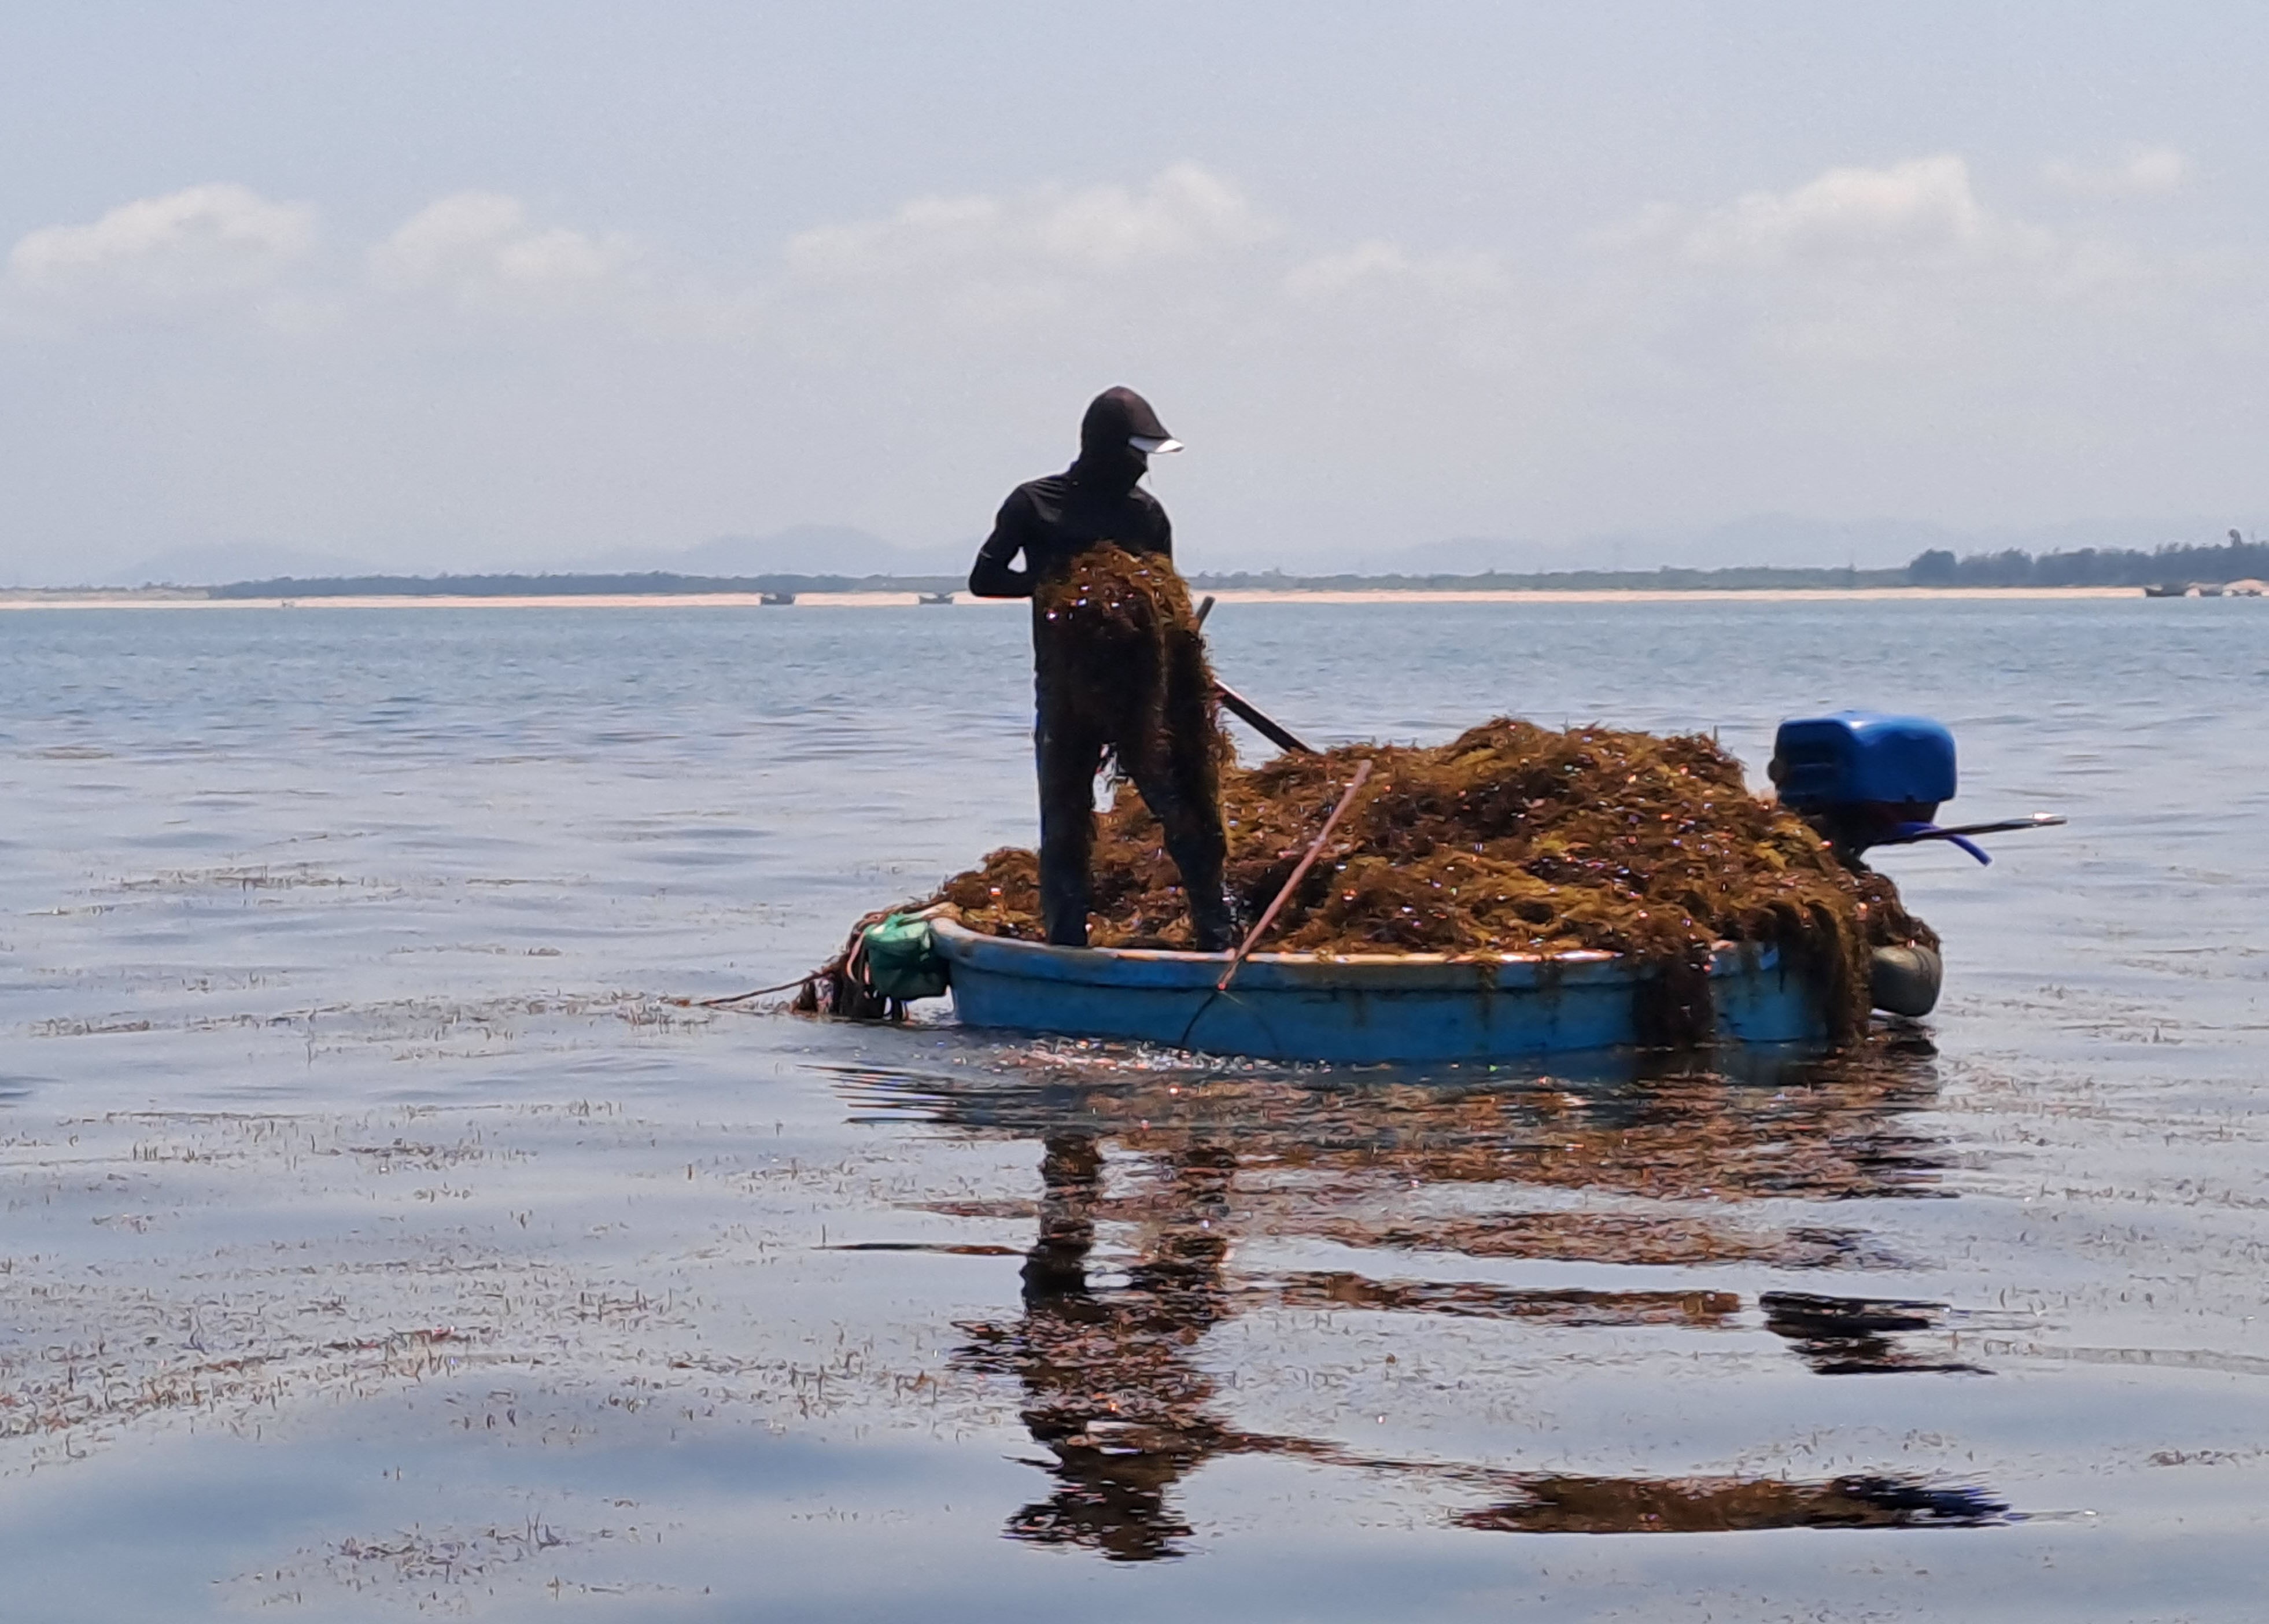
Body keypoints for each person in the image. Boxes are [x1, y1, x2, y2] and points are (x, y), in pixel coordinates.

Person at [968, 386, 1238, 950]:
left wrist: (1187, 669)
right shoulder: (1035, 503)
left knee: (1183, 807)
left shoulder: (1144, 514)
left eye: (1146, 456)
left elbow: (1169, 601)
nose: (1140, 466)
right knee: (1065, 820)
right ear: (1102, 449)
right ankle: (1067, 943)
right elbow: (983, 578)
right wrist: (1053, 585)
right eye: (1134, 453)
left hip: (1142, 694)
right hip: (1066, 691)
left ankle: (1216, 933)